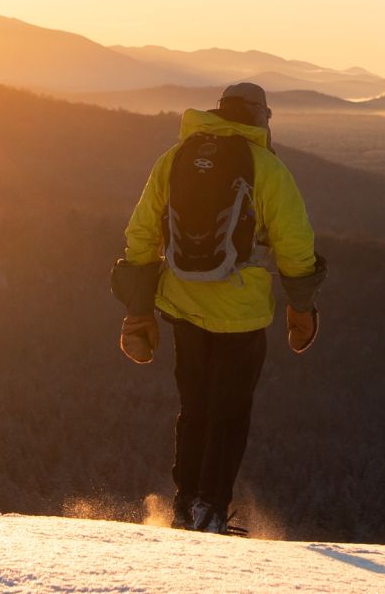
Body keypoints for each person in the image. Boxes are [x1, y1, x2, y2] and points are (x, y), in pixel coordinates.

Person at [110, 82, 326, 534]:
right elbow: (295, 243)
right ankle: (210, 509)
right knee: (229, 412)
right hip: (241, 314)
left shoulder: (176, 159)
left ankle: (185, 503)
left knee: (194, 409)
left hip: (183, 305)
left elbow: (142, 233)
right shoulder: (264, 167)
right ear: (261, 118)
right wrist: (301, 307)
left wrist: (139, 309)